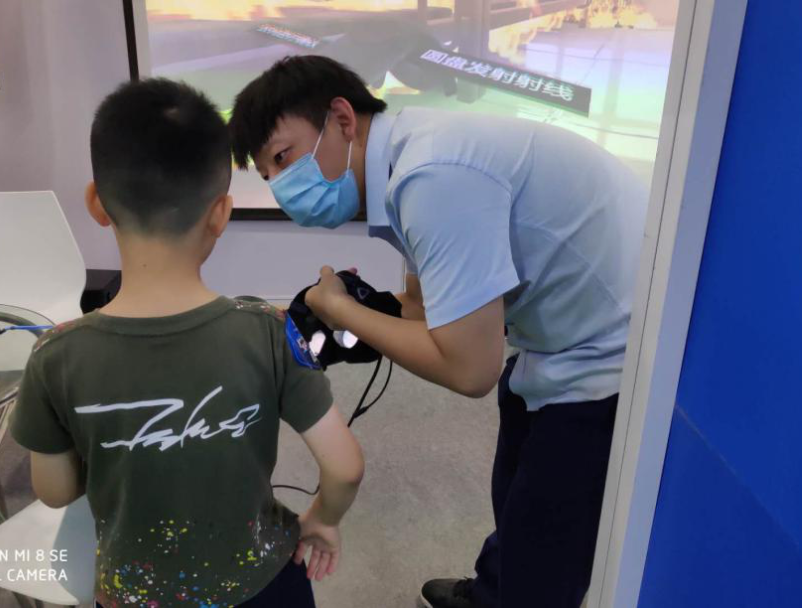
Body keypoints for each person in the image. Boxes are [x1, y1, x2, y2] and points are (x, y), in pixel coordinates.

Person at [229, 56, 646, 608]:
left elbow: (471, 370)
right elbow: (422, 308)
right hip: (555, 329)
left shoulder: (433, 178)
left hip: (613, 353)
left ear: (343, 118)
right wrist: (349, 311)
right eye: (268, 176)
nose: (283, 187)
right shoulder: (407, 155)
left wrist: (343, 310)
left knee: (547, 535)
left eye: (284, 158)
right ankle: (493, 591)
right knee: (515, 478)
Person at [10, 78, 365, 608]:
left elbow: (56, 491)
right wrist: (323, 520)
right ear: (221, 214)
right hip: (264, 585)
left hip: (134, 594)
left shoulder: (54, 356)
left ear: (97, 204)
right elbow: (345, 466)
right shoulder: (268, 330)